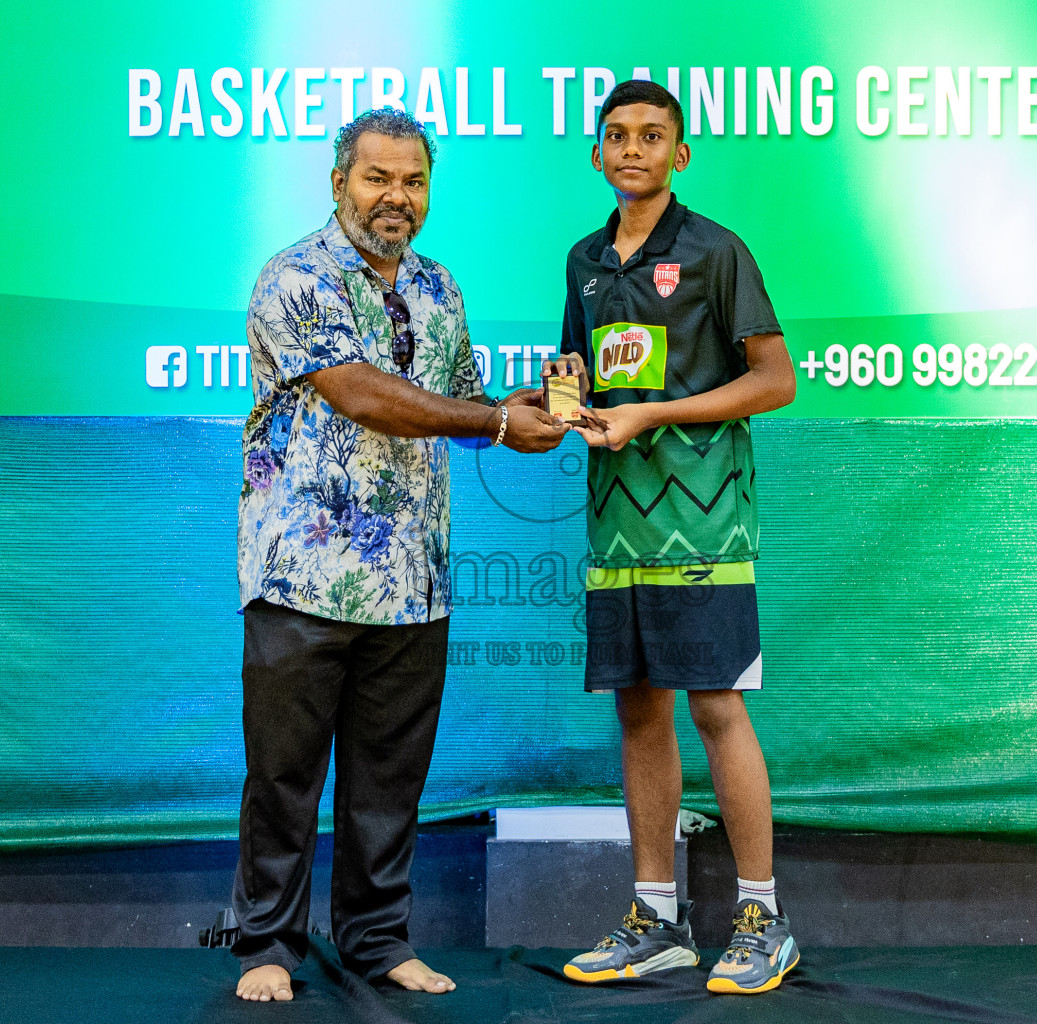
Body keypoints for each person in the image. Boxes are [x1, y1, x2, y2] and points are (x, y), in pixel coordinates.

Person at [232, 108, 567, 1002]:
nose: (396, 197)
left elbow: (457, 406)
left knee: (389, 783)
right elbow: (364, 397)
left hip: (412, 587)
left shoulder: (441, 288)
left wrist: (527, 408)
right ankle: (267, 946)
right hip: (300, 576)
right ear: (339, 181)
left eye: (413, 181)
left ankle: (378, 943)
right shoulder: (294, 276)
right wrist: (493, 419)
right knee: (284, 775)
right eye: (377, 178)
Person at [542, 80, 800, 995]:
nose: (633, 149)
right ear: (597, 153)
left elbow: (774, 381)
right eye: (616, 136)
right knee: (639, 709)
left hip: (705, 517)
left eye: (653, 136)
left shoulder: (715, 251)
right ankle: (657, 917)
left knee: (716, 706)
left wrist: (660, 411)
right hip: (617, 524)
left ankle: (762, 917)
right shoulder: (582, 260)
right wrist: (568, 393)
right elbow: (593, 376)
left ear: (679, 154)